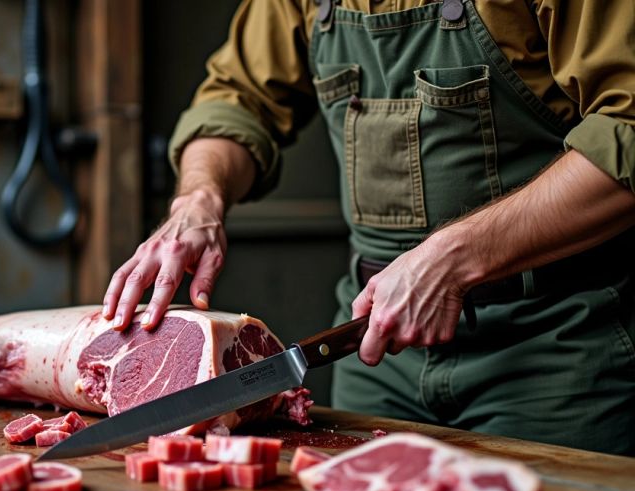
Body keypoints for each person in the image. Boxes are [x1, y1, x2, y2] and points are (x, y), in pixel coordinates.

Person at [101, 0, 635, 455]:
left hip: (557, 346)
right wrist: (200, 197)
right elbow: (237, 100)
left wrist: (452, 257)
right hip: (373, 349)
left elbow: (627, 130)